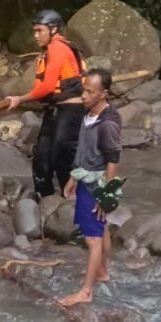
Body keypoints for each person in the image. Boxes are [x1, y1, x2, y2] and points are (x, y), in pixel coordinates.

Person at [58, 69, 124, 308]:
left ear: (103, 94)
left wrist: (105, 196)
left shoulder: (108, 123)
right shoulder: (89, 114)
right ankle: (102, 270)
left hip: (96, 186)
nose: (84, 96)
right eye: (83, 90)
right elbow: (84, 150)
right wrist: (74, 176)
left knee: (92, 239)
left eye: (89, 92)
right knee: (101, 227)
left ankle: (86, 292)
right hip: (84, 178)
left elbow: (113, 161)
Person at [4, 9, 86, 199]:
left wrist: (19, 99)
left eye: (40, 30)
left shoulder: (58, 48)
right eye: (34, 31)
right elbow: (44, 88)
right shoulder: (48, 51)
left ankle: (71, 198)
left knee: (61, 154)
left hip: (70, 110)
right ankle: (44, 196)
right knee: (42, 155)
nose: (36, 35)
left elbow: (47, 87)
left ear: (53, 29)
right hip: (54, 110)